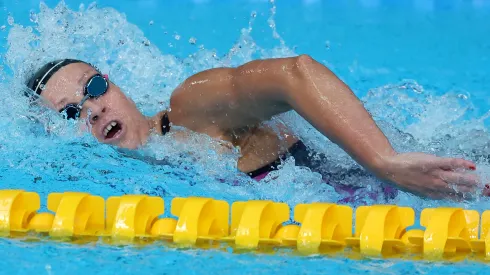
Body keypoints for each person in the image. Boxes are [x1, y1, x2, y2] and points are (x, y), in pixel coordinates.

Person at [25, 56, 480, 200]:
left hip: (430, 180)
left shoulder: (191, 111)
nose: (95, 111)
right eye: (71, 113)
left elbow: (294, 73)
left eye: (96, 87)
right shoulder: (117, 184)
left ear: (116, 82)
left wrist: (386, 163)